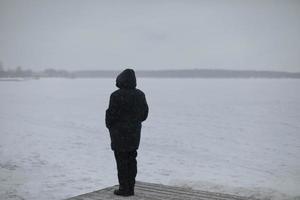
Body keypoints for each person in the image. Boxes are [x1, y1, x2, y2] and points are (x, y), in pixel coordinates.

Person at [105, 68, 148, 196]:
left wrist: (111, 127)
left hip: (119, 135)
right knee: (131, 160)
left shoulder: (116, 95)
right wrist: (134, 122)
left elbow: (110, 116)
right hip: (134, 134)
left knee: (121, 162)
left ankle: (124, 188)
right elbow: (144, 114)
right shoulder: (140, 94)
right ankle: (130, 188)